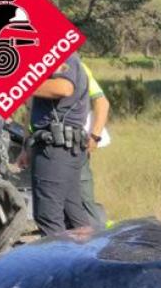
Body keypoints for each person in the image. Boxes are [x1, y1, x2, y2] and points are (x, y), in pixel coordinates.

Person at [18, 54, 92, 235]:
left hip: (55, 149)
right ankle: (87, 260)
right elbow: (32, 111)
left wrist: (20, 83)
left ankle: (58, 261)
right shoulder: (48, 62)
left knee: (48, 216)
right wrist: (26, 147)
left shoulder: (64, 57)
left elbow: (64, 87)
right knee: (73, 215)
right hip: (62, 146)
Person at [80, 61, 111, 229]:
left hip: (74, 145)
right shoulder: (30, 68)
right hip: (41, 146)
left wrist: (95, 136)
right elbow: (30, 111)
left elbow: (102, 102)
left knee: (83, 199)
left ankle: (96, 241)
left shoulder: (77, 66)